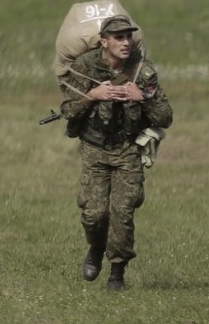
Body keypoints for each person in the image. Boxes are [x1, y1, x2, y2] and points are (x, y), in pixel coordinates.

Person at [59, 15, 173, 291]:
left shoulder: (142, 71)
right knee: (94, 214)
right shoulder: (85, 67)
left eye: (128, 37)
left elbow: (166, 116)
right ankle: (96, 247)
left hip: (128, 150)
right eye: (118, 37)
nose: (125, 42)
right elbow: (67, 111)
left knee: (123, 213)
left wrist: (142, 97)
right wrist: (92, 96)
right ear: (104, 42)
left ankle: (117, 274)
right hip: (94, 149)